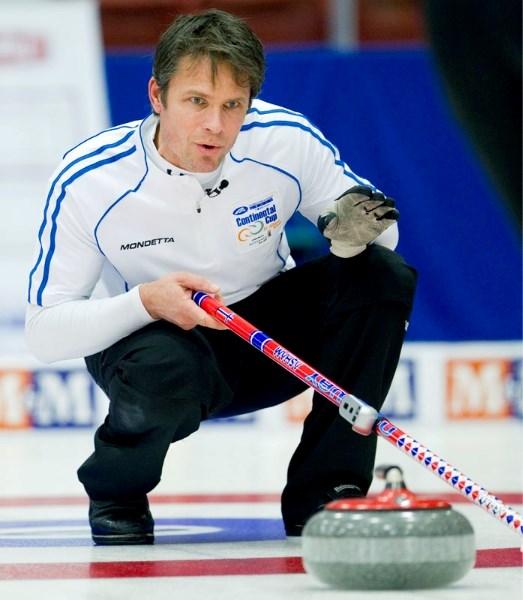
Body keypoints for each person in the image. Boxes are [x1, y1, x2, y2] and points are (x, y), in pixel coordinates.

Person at [25, 9, 417, 545]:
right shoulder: (91, 179)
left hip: (269, 338)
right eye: (197, 102)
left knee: (381, 275)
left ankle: (327, 493)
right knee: (163, 361)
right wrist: (146, 301)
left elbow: (377, 235)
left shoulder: (284, 140)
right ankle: (118, 492)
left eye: (234, 105)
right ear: (157, 97)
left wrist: (353, 235)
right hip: (160, 349)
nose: (216, 125)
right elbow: (45, 332)